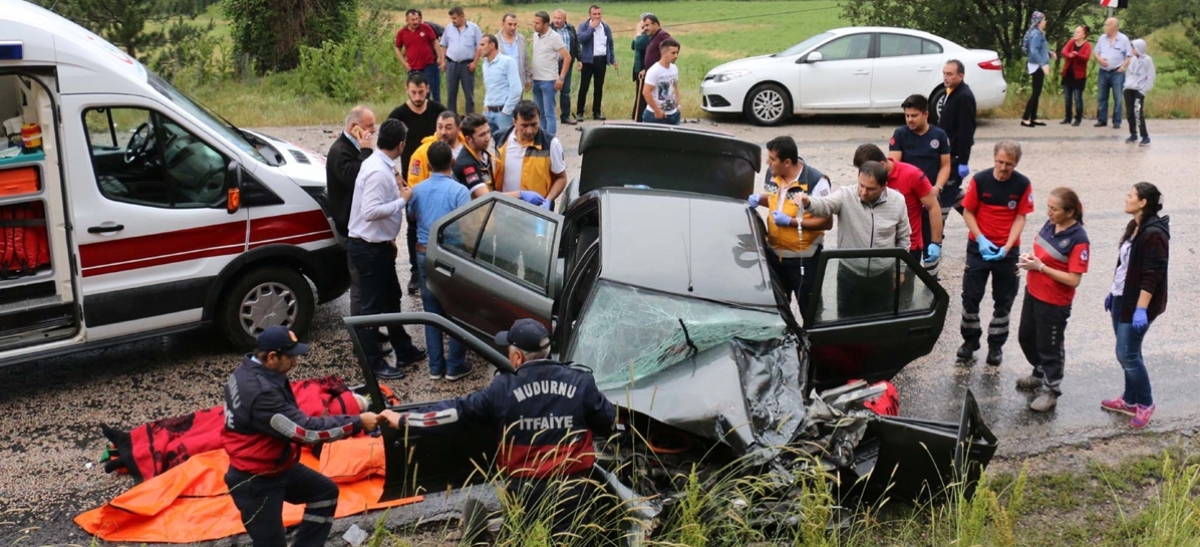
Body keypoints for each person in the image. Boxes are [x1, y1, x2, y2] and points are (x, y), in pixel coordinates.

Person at [385, 318, 617, 536]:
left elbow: (456, 413)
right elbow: (607, 421)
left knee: (517, 537)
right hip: (573, 489)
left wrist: (406, 420)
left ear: (517, 356)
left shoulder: (502, 389)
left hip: (523, 492)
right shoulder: (580, 381)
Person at [222, 326, 398, 547]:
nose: (295, 363)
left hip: (276, 466)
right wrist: (357, 422)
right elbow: (306, 431)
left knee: (325, 493)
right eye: (291, 357)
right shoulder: (261, 393)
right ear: (272, 357)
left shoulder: (247, 371)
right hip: (256, 481)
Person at [346, 119, 427, 379]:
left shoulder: (381, 164)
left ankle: (403, 349)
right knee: (370, 307)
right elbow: (369, 212)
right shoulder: (378, 171)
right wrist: (401, 202)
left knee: (392, 297)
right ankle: (373, 362)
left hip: (379, 245)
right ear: (401, 144)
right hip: (367, 247)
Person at [794, 160, 910, 319]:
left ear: (884, 187)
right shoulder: (846, 195)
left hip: (883, 275)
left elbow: (903, 237)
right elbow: (825, 205)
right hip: (849, 273)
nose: (863, 192)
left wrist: (901, 270)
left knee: (881, 320)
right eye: (861, 185)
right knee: (847, 320)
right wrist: (807, 202)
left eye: (870, 189)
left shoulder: (898, 201)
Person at [956, 140, 1034, 367]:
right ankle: (970, 341)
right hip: (979, 248)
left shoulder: (1022, 184)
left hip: (1007, 251)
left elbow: (1021, 217)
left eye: (1008, 164)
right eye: (1000, 162)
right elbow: (968, 212)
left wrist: (1007, 247)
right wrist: (980, 239)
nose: (1003, 168)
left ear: (1015, 164)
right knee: (971, 296)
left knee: (1004, 300)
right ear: (994, 160)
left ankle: (996, 345)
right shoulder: (980, 181)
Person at [1015, 188, 1089, 412]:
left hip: (1054, 302)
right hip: (1034, 292)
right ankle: (1039, 372)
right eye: (1048, 206)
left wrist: (1041, 267)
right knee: (1026, 338)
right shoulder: (1051, 224)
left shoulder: (1078, 239)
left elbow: (1073, 279)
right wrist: (1032, 258)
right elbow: (1043, 251)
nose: (1049, 212)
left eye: (1054, 209)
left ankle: (1051, 389)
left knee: (1050, 346)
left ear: (1070, 212)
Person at [1102, 182, 1168, 429]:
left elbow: (1153, 274)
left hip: (1137, 304)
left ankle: (1146, 403)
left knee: (1127, 354)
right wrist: (1112, 291)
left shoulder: (1154, 234)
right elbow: (1125, 265)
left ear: (1143, 203)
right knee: (1130, 351)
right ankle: (1130, 400)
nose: (1126, 198)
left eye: (1130, 195)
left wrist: (1141, 308)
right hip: (1122, 297)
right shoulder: (1135, 226)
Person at [409, 141, 473, 381]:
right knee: (458, 310)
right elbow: (466, 227)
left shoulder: (417, 190)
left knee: (431, 311)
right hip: (451, 254)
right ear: (452, 163)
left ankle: (436, 367)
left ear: (428, 164)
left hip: (424, 252)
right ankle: (455, 365)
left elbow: (412, 216)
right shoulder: (460, 192)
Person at [748, 136, 832, 314]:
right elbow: (775, 201)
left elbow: (827, 222)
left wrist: (791, 222)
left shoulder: (816, 181)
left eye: (772, 159)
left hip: (804, 259)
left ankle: (813, 342)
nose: (767, 163)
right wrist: (760, 199)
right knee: (777, 312)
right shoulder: (773, 175)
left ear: (787, 162)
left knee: (810, 311)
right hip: (775, 257)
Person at [388, 73, 447, 295]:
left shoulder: (438, 111)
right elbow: (386, 149)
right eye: (413, 92)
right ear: (406, 89)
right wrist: (397, 177)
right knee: (413, 227)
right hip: (412, 181)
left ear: (428, 89)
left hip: (439, 177)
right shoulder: (398, 115)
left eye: (421, 92)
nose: (418, 96)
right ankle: (415, 271)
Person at [856, 144, 942, 271]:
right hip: (878, 245)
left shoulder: (913, 175)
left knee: (903, 289)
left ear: (882, 165)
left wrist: (935, 242)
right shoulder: (868, 181)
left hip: (907, 248)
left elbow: (933, 207)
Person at [888, 93, 950, 267]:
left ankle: (932, 277)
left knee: (932, 241)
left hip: (930, 195)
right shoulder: (900, 134)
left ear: (926, 114)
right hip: (908, 198)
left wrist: (937, 187)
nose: (910, 120)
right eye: (907, 116)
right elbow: (894, 164)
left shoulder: (939, 135)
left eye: (914, 115)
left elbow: (945, 165)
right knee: (909, 241)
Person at [326, 106, 375, 316]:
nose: (374, 130)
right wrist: (366, 152)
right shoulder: (340, 152)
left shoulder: (353, 147)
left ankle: (370, 327)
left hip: (361, 225)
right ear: (355, 128)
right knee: (361, 286)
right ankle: (362, 337)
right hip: (349, 228)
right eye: (369, 126)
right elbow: (357, 179)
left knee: (369, 283)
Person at [496, 101, 567, 203]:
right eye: (524, 126)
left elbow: (561, 178)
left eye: (534, 125)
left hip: (537, 211)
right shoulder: (501, 139)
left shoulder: (551, 144)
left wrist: (548, 200)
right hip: (505, 208)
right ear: (514, 122)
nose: (530, 131)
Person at [934, 60, 976, 231]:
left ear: (961, 75)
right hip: (946, 154)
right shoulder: (950, 92)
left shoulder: (964, 96)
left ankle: (936, 238)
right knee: (954, 193)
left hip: (955, 156)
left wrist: (963, 160)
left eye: (950, 74)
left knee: (943, 198)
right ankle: (980, 223)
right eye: (944, 73)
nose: (946, 77)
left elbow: (966, 131)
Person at [530, 11, 572, 136]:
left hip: (549, 80)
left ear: (545, 24)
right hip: (536, 80)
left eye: (537, 23)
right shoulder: (535, 35)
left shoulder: (554, 37)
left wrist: (561, 77)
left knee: (549, 113)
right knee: (540, 113)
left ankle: (551, 140)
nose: (535, 25)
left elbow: (567, 57)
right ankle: (542, 138)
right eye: (534, 22)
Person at [576, 5, 616, 121]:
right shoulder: (584, 26)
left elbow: (610, 43)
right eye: (594, 14)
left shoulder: (605, 27)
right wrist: (591, 28)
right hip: (588, 61)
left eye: (599, 14)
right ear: (590, 15)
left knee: (598, 88)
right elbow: (580, 39)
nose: (597, 16)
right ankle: (580, 112)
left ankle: (597, 112)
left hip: (601, 60)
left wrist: (613, 59)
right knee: (584, 87)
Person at [479, 34, 522, 142]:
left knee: (507, 145)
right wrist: (486, 104)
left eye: (482, 44)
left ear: (492, 45)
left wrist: (506, 110)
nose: (479, 48)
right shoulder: (485, 65)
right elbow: (489, 87)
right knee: (491, 144)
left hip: (503, 113)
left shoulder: (507, 62)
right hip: (489, 112)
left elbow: (516, 89)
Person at [440, 6, 483, 115]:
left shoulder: (474, 28)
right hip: (452, 64)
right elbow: (444, 45)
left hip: (467, 65)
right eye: (451, 19)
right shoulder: (449, 28)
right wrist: (442, 61)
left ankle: (470, 119)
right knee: (451, 94)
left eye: (454, 18)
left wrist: (475, 63)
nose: (453, 21)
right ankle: (452, 118)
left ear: (462, 16)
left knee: (469, 94)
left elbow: (479, 47)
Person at [395, 9, 443, 104]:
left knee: (433, 91)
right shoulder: (402, 33)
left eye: (417, 19)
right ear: (407, 21)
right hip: (413, 67)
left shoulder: (425, 28)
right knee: (418, 93)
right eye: (413, 20)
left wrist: (440, 57)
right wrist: (404, 63)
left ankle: (438, 115)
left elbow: (435, 42)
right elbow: (397, 48)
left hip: (429, 64)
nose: (416, 22)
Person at [408, 111, 466, 186]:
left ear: (459, 129)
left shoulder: (469, 146)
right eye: (440, 127)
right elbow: (415, 186)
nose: (443, 132)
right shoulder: (422, 153)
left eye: (448, 128)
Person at [1094, 17, 1133, 129]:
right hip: (1103, 71)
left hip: (1117, 72)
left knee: (1118, 97)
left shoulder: (1123, 39)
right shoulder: (1102, 38)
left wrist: (1123, 66)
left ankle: (1117, 121)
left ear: (1114, 27)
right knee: (1102, 97)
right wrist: (1099, 59)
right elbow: (1096, 51)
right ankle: (1102, 119)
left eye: (1107, 25)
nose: (1105, 27)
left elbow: (1129, 55)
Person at [1020, 11, 1055, 128]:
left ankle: (1033, 117)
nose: (1046, 22)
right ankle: (1025, 118)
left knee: (1037, 92)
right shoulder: (1036, 34)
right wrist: (1043, 64)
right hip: (1036, 66)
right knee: (1035, 93)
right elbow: (1034, 50)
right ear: (1039, 22)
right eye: (1044, 20)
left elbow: (1040, 50)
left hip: (1037, 64)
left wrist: (1049, 54)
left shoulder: (1038, 33)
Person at [454, 113, 497, 197]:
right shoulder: (466, 164)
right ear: (468, 139)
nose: (488, 138)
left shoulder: (485, 154)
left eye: (488, 132)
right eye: (482, 135)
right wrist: (519, 194)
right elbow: (487, 197)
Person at [1123, 39, 1156, 147]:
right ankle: (1133, 134)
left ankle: (1145, 136)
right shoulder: (1132, 60)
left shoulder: (1147, 60)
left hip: (1139, 90)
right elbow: (1128, 74)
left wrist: (1143, 90)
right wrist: (1126, 86)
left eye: (1133, 47)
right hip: (1129, 88)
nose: (1132, 50)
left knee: (1138, 113)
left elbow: (1150, 77)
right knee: (1130, 113)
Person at [641, 38, 681, 125]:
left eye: (677, 52)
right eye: (673, 53)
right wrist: (657, 110)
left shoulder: (674, 68)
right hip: (655, 116)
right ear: (664, 53)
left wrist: (678, 104)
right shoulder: (655, 70)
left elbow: (675, 87)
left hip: (673, 114)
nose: (676, 56)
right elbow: (646, 92)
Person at [550, 10, 579, 126]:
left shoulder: (571, 29)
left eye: (559, 18)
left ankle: (565, 116)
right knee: (551, 91)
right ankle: (549, 116)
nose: (556, 20)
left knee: (565, 91)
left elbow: (576, 45)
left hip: (567, 64)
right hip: (552, 64)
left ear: (565, 20)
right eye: (555, 18)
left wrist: (579, 59)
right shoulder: (549, 29)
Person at [1060, 25, 1092, 126]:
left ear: (1084, 34)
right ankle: (1067, 117)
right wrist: (1069, 55)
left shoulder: (1087, 45)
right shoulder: (1071, 42)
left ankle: (1078, 118)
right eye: (1075, 32)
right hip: (1068, 74)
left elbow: (1086, 57)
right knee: (1067, 97)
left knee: (1078, 97)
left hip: (1079, 76)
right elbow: (1064, 51)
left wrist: (1077, 55)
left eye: (1078, 32)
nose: (1075, 34)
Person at [497, 13, 532, 97]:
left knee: (518, 108)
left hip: (518, 81)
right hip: (502, 83)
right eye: (509, 24)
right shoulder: (495, 40)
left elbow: (525, 60)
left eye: (515, 24)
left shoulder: (521, 39)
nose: (513, 27)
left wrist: (528, 78)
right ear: (502, 24)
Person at [630, 13, 653, 119]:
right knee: (638, 94)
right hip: (638, 68)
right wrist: (637, 33)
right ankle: (636, 116)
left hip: (644, 68)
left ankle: (639, 117)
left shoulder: (648, 36)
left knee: (643, 95)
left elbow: (639, 44)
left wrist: (639, 32)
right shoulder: (642, 34)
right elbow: (633, 46)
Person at [641, 14, 672, 80]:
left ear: (655, 25)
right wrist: (645, 70)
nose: (645, 28)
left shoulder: (662, 35)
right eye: (644, 26)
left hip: (660, 76)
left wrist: (665, 66)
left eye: (647, 25)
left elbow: (674, 47)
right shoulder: (654, 36)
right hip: (652, 74)